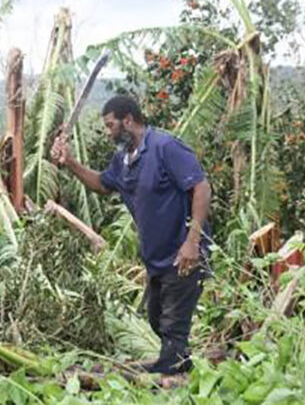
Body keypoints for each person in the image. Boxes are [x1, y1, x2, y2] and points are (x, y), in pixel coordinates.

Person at [50, 95, 212, 375]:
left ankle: (171, 376)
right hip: (156, 260)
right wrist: (71, 163)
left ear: (128, 120)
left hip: (183, 255)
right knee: (155, 318)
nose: (108, 132)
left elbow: (201, 187)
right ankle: (179, 364)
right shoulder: (123, 160)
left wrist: (192, 242)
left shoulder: (165, 147)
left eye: (110, 125)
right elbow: (102, 184)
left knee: (173, 326)